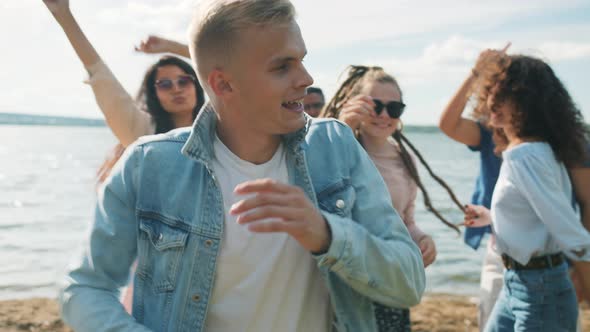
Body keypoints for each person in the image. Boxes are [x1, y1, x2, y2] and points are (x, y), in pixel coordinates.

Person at [59, 1, 426, 331]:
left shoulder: (336, 146)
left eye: (301, 59)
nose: (307, 79)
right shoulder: (147, 164)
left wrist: (326, 234)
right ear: (223, 83)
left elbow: (408, 283)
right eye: (283, 66)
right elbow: (86, 287)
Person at [321, 65, 464, 331]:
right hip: (347, 274)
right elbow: (320, 196)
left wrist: (421, 239)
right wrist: (342, 128)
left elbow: (405, 220)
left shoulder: (404, 157)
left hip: (389, 273)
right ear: (355, 104)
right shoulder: (340, 148)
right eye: (376, 106)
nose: (385, 115)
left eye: (394, 109)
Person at [463, 54, 590, 331]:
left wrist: (587, 281)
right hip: (518, 282)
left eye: (506, 92)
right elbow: (535, 219)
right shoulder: (536, 150)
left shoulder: (526, 156)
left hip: (542, 290)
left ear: (529, 101)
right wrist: (490, 217)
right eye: (493, 89)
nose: (494, 100)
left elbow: (569, 230)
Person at [42, 0, 205, 149]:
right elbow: (100, 73)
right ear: (154, 94)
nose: (176, 89)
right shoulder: (142, 132)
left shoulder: (222, 127)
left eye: (183, 81)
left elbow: (226, 66)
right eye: (165, 84)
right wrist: (64, 15)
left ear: (197, 86)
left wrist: (174, 47)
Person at [438, 46, 509, 330]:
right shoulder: (490, 132)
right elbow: (448, 124)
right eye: (493, 91)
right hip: (499, 246)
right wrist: (476, 73)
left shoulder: (556, 139)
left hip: (548, 256)